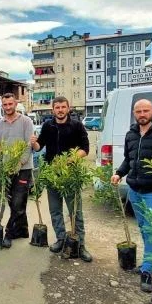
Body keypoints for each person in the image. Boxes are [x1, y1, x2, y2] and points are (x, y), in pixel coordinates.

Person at [111, 99, 152, 292]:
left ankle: (147, 270)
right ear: (134, 113)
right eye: (138, 111)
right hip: (135, 190)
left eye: (146, 110)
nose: (142, 114)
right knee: (143, 227)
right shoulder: (131, 134)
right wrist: (119, 173)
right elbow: (129, 159)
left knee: (151, 230)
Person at [31, 96, 91, 261]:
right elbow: (39, 147)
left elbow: (85, 149)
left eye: (63, 107)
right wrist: (34, 143)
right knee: (55, 210)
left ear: (68, 108)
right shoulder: (48, 125)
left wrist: (69, 160)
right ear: (53, 110)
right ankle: (61, 239)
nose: (60, 110)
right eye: (57, 107)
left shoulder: (77, 126)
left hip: (70, 175)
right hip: (52, 176)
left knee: (75, 212)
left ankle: (81, 244)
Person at [0, 93, 34, 248]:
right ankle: (23, 231)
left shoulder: (26, 121)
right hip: (6, 170)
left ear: (16, 104)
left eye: (10, 104)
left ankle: (9, 234)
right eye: (5, 105)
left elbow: (28, 146)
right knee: (14, 203)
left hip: (23, 169)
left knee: (17, 203)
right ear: (2, 106)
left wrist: (19, 163)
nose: (8, 107)